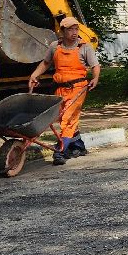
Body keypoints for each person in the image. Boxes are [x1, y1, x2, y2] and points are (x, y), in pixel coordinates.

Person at [28, 16, 100, 166]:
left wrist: (95, 78)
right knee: (63, 119)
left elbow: (95, 66)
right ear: (62, 31)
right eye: (70, 30)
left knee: (67, 119)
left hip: (78, 88)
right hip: (60, 89)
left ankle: (59, 151)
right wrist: (34, 75)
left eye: (76, 29)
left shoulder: (84, 47)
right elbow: (46, 63)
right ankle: (78, 146)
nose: (74, 32)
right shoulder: (55, 46)